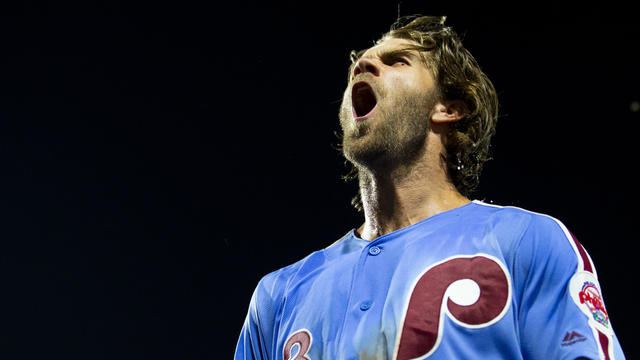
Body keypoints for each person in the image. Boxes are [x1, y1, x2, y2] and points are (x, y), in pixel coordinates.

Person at [234, 15, 625, 359]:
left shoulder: (527, 242)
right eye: (362, 61)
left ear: (448, 108)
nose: (363, 63)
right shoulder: (279, 295)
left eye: (396, 61)